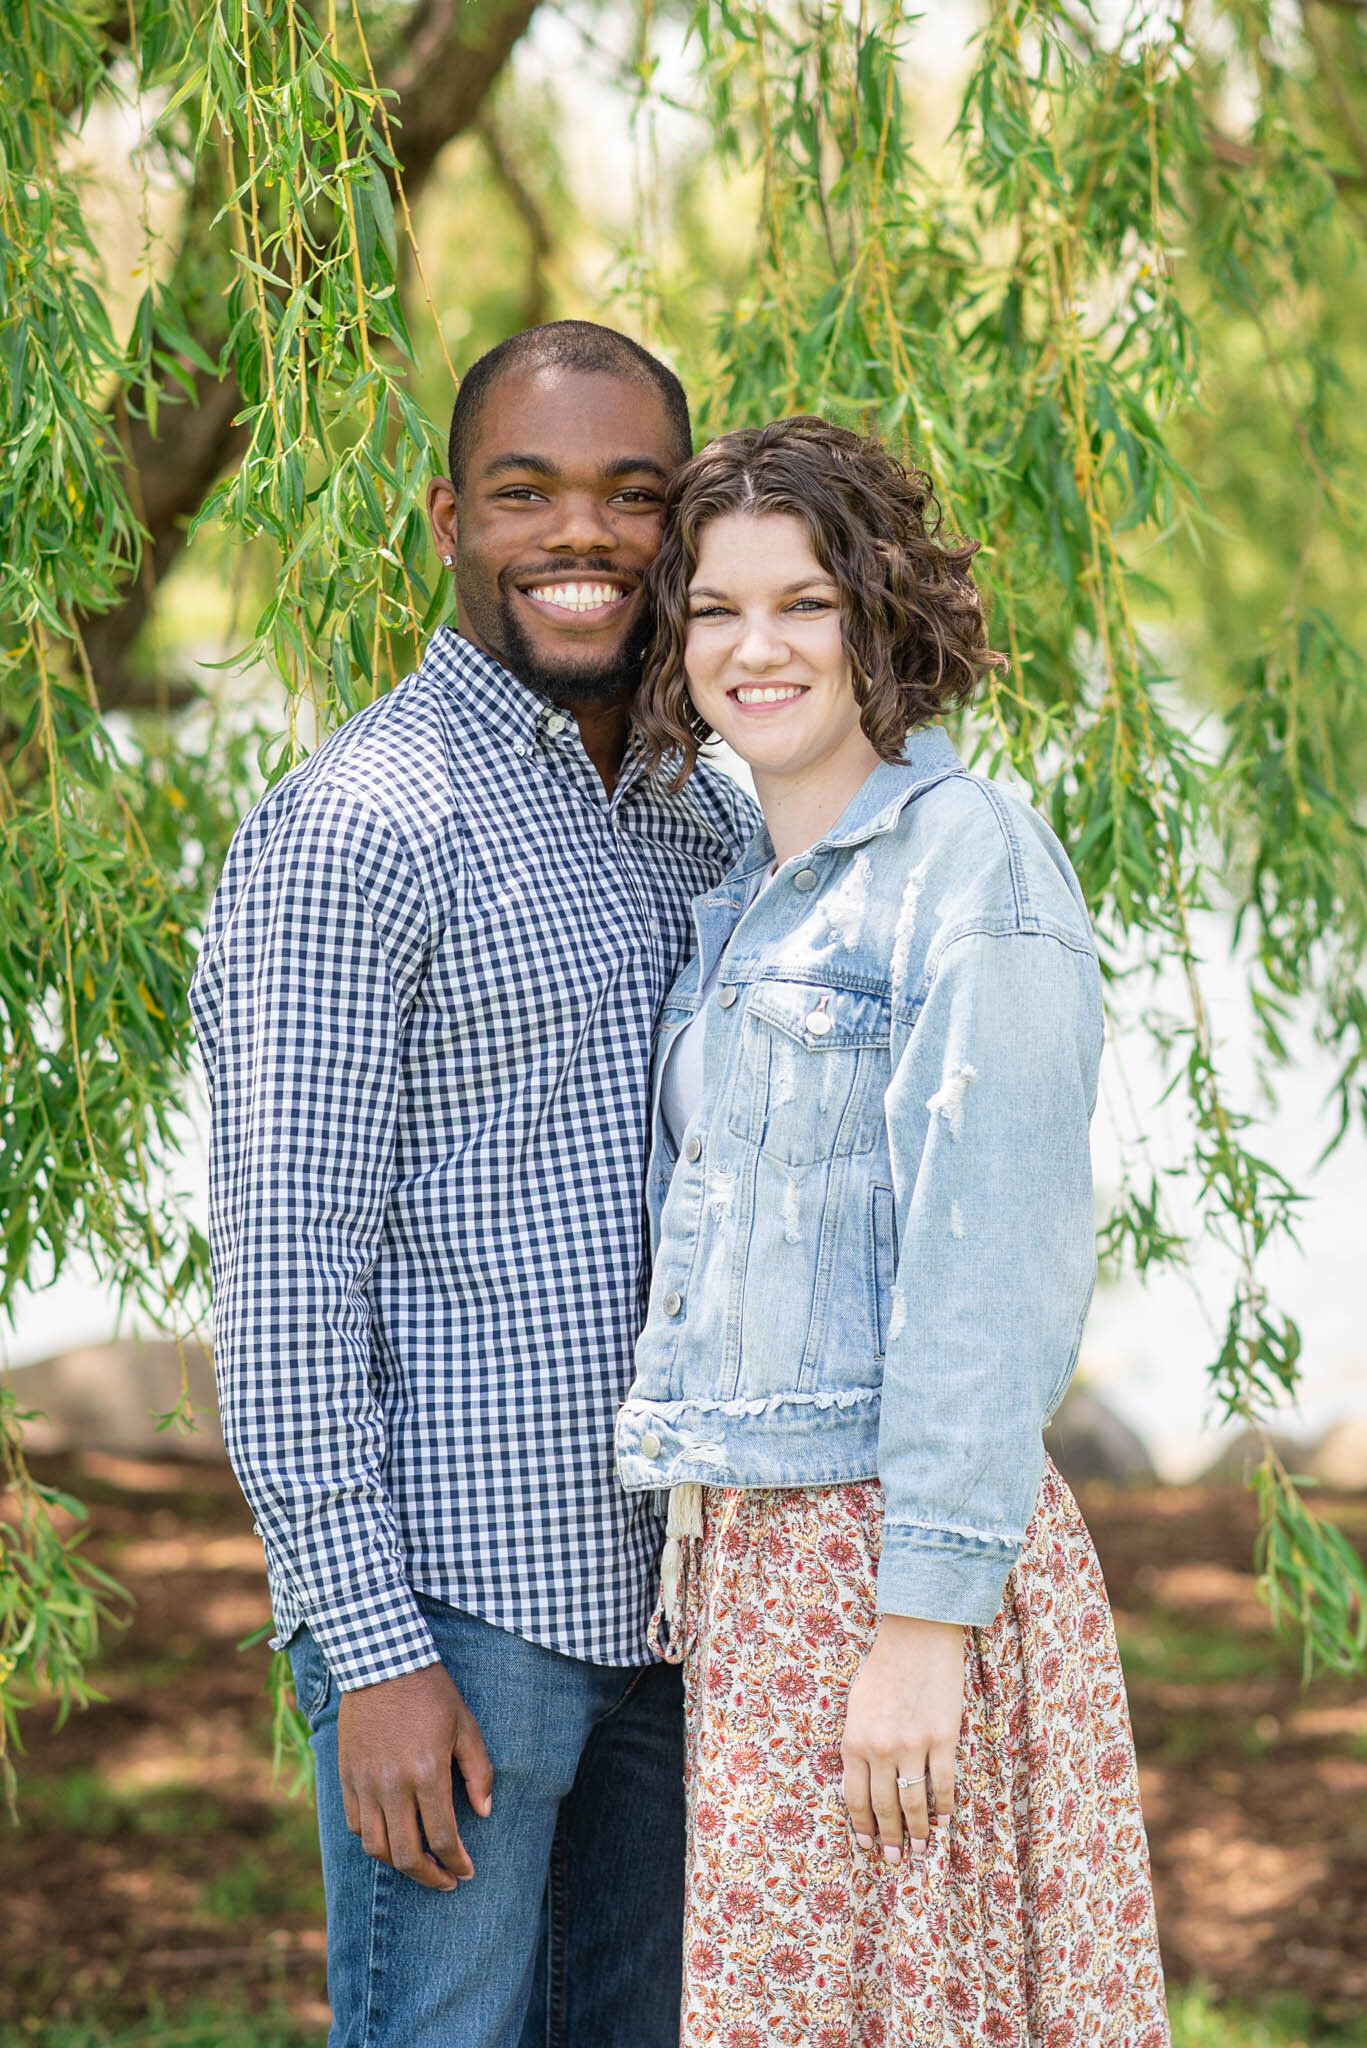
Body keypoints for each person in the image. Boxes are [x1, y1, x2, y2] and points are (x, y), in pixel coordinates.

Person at [188, 321, 758, 2048]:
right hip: (460, 1615)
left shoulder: (705, 818)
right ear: (449, 517)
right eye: (527, 491)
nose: (580, 536)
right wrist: (370, 1653)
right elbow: (288, 1294)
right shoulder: (357, 831)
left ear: (685, 529)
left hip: (675, 1606)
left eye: (631, 494)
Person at [616, 416, 1170, 2047]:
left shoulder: (970, 870)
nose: (754, 646)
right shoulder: (749, 895)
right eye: (715, 609)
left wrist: (922, 1630)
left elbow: (990, 1273)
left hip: (893, 1567)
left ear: (882, 614)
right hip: (756, 1572)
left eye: (805, 601)